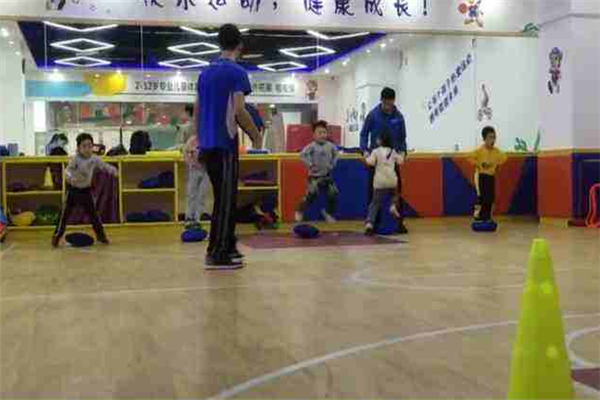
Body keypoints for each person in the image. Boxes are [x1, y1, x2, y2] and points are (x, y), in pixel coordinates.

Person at [196, 24, 262, 270]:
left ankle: (227, 245)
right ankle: (218, 254)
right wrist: (256, 136)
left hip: (208, 145)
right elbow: (239, 110)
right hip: (224, 144)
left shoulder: (205, 73)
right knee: (226, 201)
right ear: (240, 45)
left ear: (219, 43)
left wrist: (198, 141)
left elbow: (198, 109)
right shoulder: (237, 72)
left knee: (222, 199)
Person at [52, 133, 118, 247]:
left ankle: (101, 236)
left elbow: (104, 166)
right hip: (73, 191)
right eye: (84, 146)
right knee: (64, 215)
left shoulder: (94, 159)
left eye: (89, 146)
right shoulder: (75, 159)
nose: (87, 149)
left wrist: (113, 170)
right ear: (78, 148)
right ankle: (57, 236)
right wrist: (70, 177)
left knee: (94, 215)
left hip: (86, 191)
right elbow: (67, 171)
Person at [360, 87, 409, 234]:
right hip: (376, 159)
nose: (388, 106)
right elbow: (364, 134)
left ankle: (399, 223)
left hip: (392, 159)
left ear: (394, 101)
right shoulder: (373, 115)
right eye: (386, 103)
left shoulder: (399, 117)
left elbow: (403, 138)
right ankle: (373, 223)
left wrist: (403, 152)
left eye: (391, 103)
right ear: (381, 100)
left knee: (397, 192)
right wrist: (365, 151)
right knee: (374, 194)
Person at [295, 120, 339, 223]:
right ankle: (300, 210)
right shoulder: (312, 146)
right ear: (314, 135)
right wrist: (310, 165)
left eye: (324, 132)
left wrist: (333, 164)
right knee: (312, 193)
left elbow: (336, 154)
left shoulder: (330, 146)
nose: (322, 135)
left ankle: (328, 213)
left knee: (333, 193)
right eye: (320, 133)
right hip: (314, 177)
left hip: (327, 176)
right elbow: (302, 155)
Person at [364, 132, 405, 235]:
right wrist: (402, 154)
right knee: (395, 195)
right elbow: (400, 161)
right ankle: (393, 205)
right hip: (392, 180)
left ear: (380, 141)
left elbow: (370, 162)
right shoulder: (393, 151)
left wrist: (366, 156)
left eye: (378, 138)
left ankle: (369, 224)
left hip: (380, 182)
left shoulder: (376, 151)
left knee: (375, 204)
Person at [468, 126, 507, 222]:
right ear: (484, 139)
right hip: (481, 176)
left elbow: (504, 158)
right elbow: (469, 157)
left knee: (490, 198)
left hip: (491, 177)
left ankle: (488, 217)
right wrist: (479, 164)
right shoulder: (480, 150)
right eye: (490, 137)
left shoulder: (496, 151)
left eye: (494, 137)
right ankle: (479, 216)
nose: (492, 140)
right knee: (483, 197)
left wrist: (495, 164)